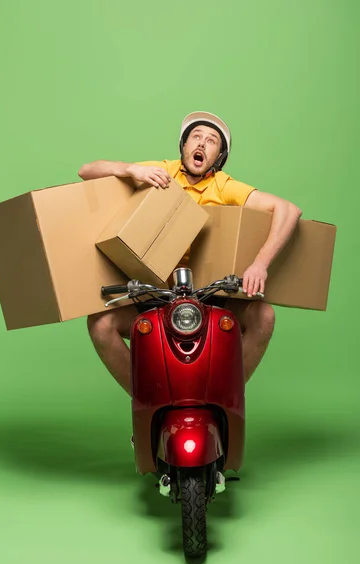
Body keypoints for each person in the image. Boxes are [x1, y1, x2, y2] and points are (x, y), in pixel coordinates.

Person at [78, 111, 302, 395]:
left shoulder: (224, 186)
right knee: (101, 323)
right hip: (156, 293)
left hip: (210, 296)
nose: (201, 144)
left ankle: (223, 394)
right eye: (195, 137)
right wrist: (131, 170)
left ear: (218, 157)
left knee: (264, 316)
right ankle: (149, 398)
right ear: (183, 145)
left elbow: (288, 210)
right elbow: (87, 171)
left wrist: (261, 264)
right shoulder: (160, 172)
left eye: (211, 142)